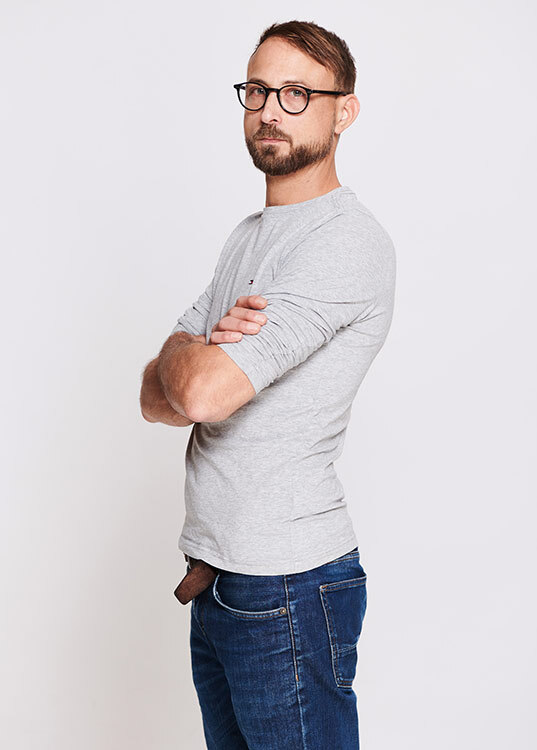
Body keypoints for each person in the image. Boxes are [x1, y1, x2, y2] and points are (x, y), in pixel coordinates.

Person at [140, 19, 396, 750]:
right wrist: (192, 354)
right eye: (257, 90)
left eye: (296, 93)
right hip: (218, 577)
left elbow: (198, 397)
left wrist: (190, 354)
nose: (270, 110)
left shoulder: (342, 241)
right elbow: (153, 397)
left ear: (343, 111)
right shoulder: (249, 236)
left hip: (287, 585)